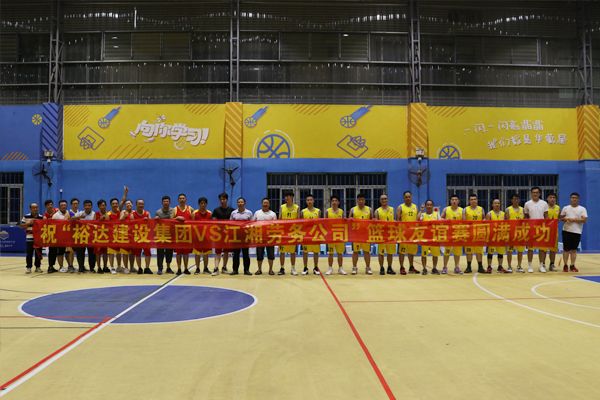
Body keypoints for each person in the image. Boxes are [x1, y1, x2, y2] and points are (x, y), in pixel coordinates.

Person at [560, 192, 587, 273]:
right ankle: (565, 265)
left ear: (578, 199)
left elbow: (584, 220)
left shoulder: (582, 209)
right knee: (566, 249)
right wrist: (565, 219)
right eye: (572, 198)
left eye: (575, 198)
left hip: (577, 231)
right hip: (566, 230)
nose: (574, 199)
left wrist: (574, 220)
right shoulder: (566, 208)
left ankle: (572, 265)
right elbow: (561, 218)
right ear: (570, 199)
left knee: (574, 250)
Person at [524, 186, 549, 273]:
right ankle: (530, 266)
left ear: (539, 193)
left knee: (541, 248)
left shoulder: (544, 203)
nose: (535, 194)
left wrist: (547, 226)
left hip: (541, 228)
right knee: (530, 248)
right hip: (531, 229)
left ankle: (541, 265)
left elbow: (546, 216)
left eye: (537, 192)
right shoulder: (527, 204)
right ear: (531, 193)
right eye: (533, 192)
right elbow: (526, 217)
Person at [349, 193, 372, 275]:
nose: (361, 201)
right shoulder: (353, 210)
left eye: (362, 200)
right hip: (356, 235)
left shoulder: (369, 209)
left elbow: (373, 221)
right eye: (359, 200)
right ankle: (354, 268)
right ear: (357, 200)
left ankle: (368, 268)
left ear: (365, 201)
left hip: (366, 234)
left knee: (366, 252)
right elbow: (349, 221)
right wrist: (350, 219)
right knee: (355, 252)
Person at [212, 192, 234, 276]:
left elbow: (233, 222)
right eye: (221, 199)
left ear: (227, 200)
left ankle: (224, 267)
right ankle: (216, 268)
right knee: (217, 252)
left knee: (226, 252)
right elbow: (214, 222)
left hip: (228, 234)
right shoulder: (216, 210)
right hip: (218, 235)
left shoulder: (232, 210)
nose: (222, 201)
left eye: (224, 199)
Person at [397, 191, 419, 275]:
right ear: (404, 198)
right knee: (402, 251)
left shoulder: (415, 207)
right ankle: (402, 267)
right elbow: (398, 220)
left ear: (411, 197)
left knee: (411, 251)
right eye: (406, 197)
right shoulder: (400, 207)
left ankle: (411, 267)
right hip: (403, 233)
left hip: (413, 233)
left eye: (409, 196)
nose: (408, 198)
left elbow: (417, 219)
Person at [253, 198, 277, 275]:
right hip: (259, 237)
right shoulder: (257, 213)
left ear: (269, 204)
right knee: (259, 254)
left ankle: (270, 270)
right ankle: (259, 269)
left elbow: (275, 226)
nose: (265, 204)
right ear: (262, 204)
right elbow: (253, 223)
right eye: (264, 203)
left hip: (270, 237)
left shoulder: (273, 214)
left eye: (267, 203)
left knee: (271, 254)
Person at [374, 194, 396, 275]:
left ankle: (389, 267)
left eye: (385, 199)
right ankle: (381, 268)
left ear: (387, 200)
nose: (384, 200)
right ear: (380, 201)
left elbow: (395, 220)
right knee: (381, 253)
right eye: (382, 199)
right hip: (381, 235)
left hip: (391, 234)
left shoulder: (392, 209)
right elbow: (375, 224)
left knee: (390, 252)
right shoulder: (377, 211)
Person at [463, 194, 486, 274]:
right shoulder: (465, 209)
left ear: (477, 200)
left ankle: (480, 267)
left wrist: (484, 221)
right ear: (469, 201)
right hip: (469, 233)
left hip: (479, 233)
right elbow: (463, 221)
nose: (473, 201)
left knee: (479, 251)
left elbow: (484, 218)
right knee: (469, 251)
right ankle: (469, 267)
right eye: (471, 199)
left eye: (474, 199)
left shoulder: (481, 209)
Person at [72, 200, 96, 273]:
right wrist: (79, 217)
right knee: (80, 253)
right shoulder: (80, 213)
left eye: (89, 205)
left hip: (91, 237)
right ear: (84, 206)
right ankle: (81, 267)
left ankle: (92, 268)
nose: (87, 207)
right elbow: (71, 219)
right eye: (86, 205)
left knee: (92, 253)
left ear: (91, 206)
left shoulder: (94, 214)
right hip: (81, 236)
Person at [230, 197, 253, 275]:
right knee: (235, 254)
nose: (240, 203)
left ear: (244, 203)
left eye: (241, 202)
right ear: (237, 203)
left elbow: (252, 224)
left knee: (246, 254)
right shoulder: (233, 213)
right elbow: (230, 224)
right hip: (236, 237)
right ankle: (235, 270)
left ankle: (246, 270)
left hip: (245, 237)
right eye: (239, 202)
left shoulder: (249, 213)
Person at [278, 191, 299, 275]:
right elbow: (279, 219)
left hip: (293, 232)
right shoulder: (282, 207)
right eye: (285, 196)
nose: (286, 198)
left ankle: (293, 268)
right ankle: (282, 268)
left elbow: (299, 220)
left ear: (292, 197)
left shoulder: (297, 207)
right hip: (283, 232)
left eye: (288, 196)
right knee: (282, 251)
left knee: (292, 252)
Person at [441, 194, 463, 274]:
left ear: (458, 201)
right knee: (447, 251)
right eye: (452, 200)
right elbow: (441, 218)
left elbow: (465, 221)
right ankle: (444, 267)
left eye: (456, 200)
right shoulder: (446, 209)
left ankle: (457, 267)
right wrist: (445, 221)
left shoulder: (462, 210)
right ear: (450, 201)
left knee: (457, 252)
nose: (454, 201)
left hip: (458, 233)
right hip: (449, 234)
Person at [325, 196, 346, 275]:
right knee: (330, 253)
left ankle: (340, 268)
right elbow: (324, 223)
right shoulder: (327, 211)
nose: (334, 202)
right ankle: (330, 268)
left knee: (340, 253)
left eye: (336, 200)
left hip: (339, 234)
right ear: (331, 202)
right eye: (333, 201)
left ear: (338, 202)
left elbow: (344, 223)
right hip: (331, 235)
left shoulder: (341, 211)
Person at [301, 194, 321, 275]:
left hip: (315, 235)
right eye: (308, 200)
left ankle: (316, 267)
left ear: (313, 201)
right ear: (306, 201)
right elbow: (300, 224)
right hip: (306, 235)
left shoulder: (318, 211)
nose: (309, 201)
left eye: (311, 200)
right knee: (305, 252)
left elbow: (320, 223)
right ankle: (305, 267)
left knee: (316, 252)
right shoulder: (303, 211)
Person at [131, 199, 152, 275]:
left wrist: (148, 221)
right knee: (137, 253)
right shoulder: (133, 214)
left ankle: (147, 268)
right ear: (136, 205)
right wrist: (141, 221)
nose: (141, 205)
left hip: (146, 236)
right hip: (137, 236)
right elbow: (131, 225)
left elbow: (151, 224)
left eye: (142, 204)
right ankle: (139, 268)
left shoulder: (147, 213)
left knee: (148, 252)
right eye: (139, 204)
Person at [155, 195, 175, 275]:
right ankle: (160, 268)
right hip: (160, 234)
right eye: (164, 201)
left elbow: (172, 219)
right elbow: (156, 223)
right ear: (162, 202)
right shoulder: (158, 212)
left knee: (169, 252)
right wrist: (156, 219)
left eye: (167, 201)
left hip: (170, 234)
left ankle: (168, 267)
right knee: (160, 252)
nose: (166, 203)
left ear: (169, 202)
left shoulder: (173, 210)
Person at [419, 200, 440, 275]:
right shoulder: (422, 215)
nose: (429, 206)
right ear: (425, 206)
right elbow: (417, 221)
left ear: (433, 206)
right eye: (427, 205)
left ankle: (434, 268)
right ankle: (424, 268)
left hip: (434, 238)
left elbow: (441, 224)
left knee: (435, 254)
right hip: (425, 237)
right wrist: (421, 211)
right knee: (424, 254)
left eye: (430, 205)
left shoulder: (437, 214)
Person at [20, 203, 43, 273]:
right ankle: (29, 267)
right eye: (33, 208)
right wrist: (29, 223)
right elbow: (21, 226)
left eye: (36, 207)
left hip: (38, 239)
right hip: (29, 238)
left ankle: (38, 267)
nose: (35, 209)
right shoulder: (26, 216)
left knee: (38, 254)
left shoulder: (41, 217)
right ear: (30, 209)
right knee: (29, 253)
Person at [174, 193, 193, 275]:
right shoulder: (175, 209)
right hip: (178, 235)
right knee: (178, 253)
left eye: (183, 198)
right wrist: (177, 218)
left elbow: (194, 220)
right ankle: (179, 268)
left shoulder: (190, 209)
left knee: (186, 253)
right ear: (178, 200)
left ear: (186, 199)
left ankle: (186, 268)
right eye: (180, 198)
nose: (182, 200)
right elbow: (170, 220)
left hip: (187, 234)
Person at [506, 193, 526, 273]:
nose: (516, 200)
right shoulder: (508, 209)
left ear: (519, 200)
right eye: (514, 199)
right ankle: (509, 266)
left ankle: (519, 266)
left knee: (520, 251)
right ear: (512, 200)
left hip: (520, 233)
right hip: (511, 233)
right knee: (509, 251)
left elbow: (525, 221)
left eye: (517, 199)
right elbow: (506, 222)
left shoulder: (523, 209)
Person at [192, 197, 212, 275]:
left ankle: (205, 268)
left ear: (206, 204)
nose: (203, 205)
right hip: (197, 237)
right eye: (201, 203)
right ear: (199, 204)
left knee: (206, 254)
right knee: (197, 254)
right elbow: (191, 225)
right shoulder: (194, 213)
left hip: (207, 236)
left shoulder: (210, 213)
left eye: (204, 203)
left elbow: (212, 225)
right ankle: (197, 268)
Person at [486, 199, 506, 273]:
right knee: (490, 252)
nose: (497, 204)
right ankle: (489, 266)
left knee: (501, 252)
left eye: (498, 203)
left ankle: (500, 266)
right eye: (495, 203)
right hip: (492, 236)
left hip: (501, 235)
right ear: (492, 205)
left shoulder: (503, 214)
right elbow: (487, 226)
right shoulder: (489, 214)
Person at [50, 200, 70, 273]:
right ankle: (61, 267)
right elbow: (53, 226)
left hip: (68, 236)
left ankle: (70, 266)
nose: (63, 206)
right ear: (59, 206)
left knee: (68, 252)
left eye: (65, 205)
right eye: (62, 205)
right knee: (60, 252)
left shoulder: (68, 213)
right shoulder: (55, 215)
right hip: (59, 237)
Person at [107, 197, 123, 274]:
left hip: (119, 235)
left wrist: (125, 193)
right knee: (111, 252)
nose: (115, 205)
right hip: (111, 235)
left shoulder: (119, 212)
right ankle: (112, 267)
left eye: (116, 203)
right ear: (111, 205)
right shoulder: (108, 214)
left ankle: (119, 266)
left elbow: (123, 201)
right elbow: (106, 224)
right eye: (113, 204)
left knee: (119, 252)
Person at [545, 192, 560, 271]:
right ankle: (542, 264)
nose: (552, 199)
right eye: (550, 197)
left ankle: (552, 264)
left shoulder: (558, 208)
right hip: (545, 231)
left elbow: (559, 218)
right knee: (543, 249)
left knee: (553, 249)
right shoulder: (544, 207)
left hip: (554, 231)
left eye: (554, 197)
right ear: (547, 199)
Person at [119, 199, 135, 274]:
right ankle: (126, 268)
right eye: (127, 204)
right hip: (124, 234)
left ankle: (132, 267)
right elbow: (119, 220)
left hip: (133, 235)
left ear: (132, 204)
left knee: (132, 253)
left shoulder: (134, 212)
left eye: (129, 203)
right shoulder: (123, 212)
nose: (128, 205)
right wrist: (124, 216)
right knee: (125, 252)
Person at [94, 199, 110, 274]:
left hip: (106, 236)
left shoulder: (108, 213)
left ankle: (105, 267)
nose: (103, 207)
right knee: (98, 253)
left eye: (104, 205)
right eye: (101, 205)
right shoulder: (96, 214)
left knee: (105, 253)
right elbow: (93, 224)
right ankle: (99, 267)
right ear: (98, 207)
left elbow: (111, 223)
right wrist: (99, 220)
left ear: (106, 206)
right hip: (98, 236)